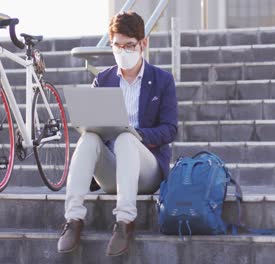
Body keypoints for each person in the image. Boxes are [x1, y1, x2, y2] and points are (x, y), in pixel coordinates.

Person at [57, 11, 178, 256]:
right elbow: (95, 128)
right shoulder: (103, 79)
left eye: (129, 46)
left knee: (125, 138)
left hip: (147, 170)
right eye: (117, 46)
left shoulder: (162, 80)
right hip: (112, 169)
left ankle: (124, 222)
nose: (123, 51)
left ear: (143, 43)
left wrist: (137, 134)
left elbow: (169, 129)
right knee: (89, 138)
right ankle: (73, 219)